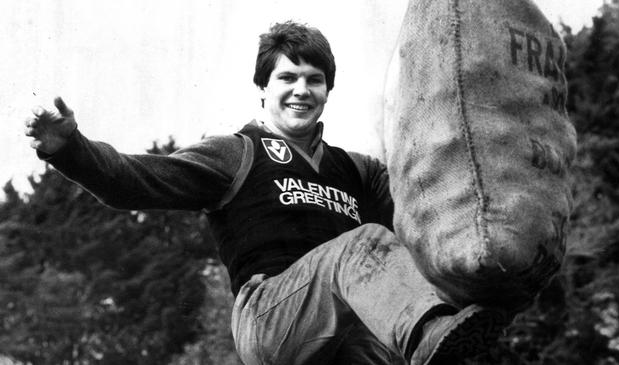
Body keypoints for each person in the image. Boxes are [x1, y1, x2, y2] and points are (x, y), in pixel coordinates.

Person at [24, 21, 508, 365]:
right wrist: (72, 150)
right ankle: (427, 329)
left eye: (314, 80)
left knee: (395, 318)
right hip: (270, 319)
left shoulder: (357, 170)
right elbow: (134, 180)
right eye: (288, 77)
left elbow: (424, 208)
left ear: (327, 91)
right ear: (263, 88)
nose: (302, 90)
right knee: (362, 245)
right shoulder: (237, 153)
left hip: (346, 332)